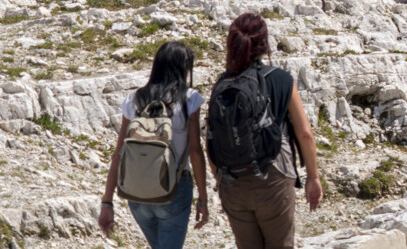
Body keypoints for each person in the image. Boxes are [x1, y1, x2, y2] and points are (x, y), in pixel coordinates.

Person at [210, 14, 322, 249]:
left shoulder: (222, 83)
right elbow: (304, 133)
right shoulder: (281, 79)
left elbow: (211, 135)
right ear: (264, 44)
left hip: (232, 182)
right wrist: (313, 177)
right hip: (273, 176)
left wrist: (220, 180)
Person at [98, 42, 208, 249]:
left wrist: (107, 202)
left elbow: (119, 153)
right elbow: (195, 151)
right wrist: (203, 198)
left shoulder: (134, 100)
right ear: (183, 67)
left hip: (136, 192)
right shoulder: (189, 99)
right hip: (174, 189)